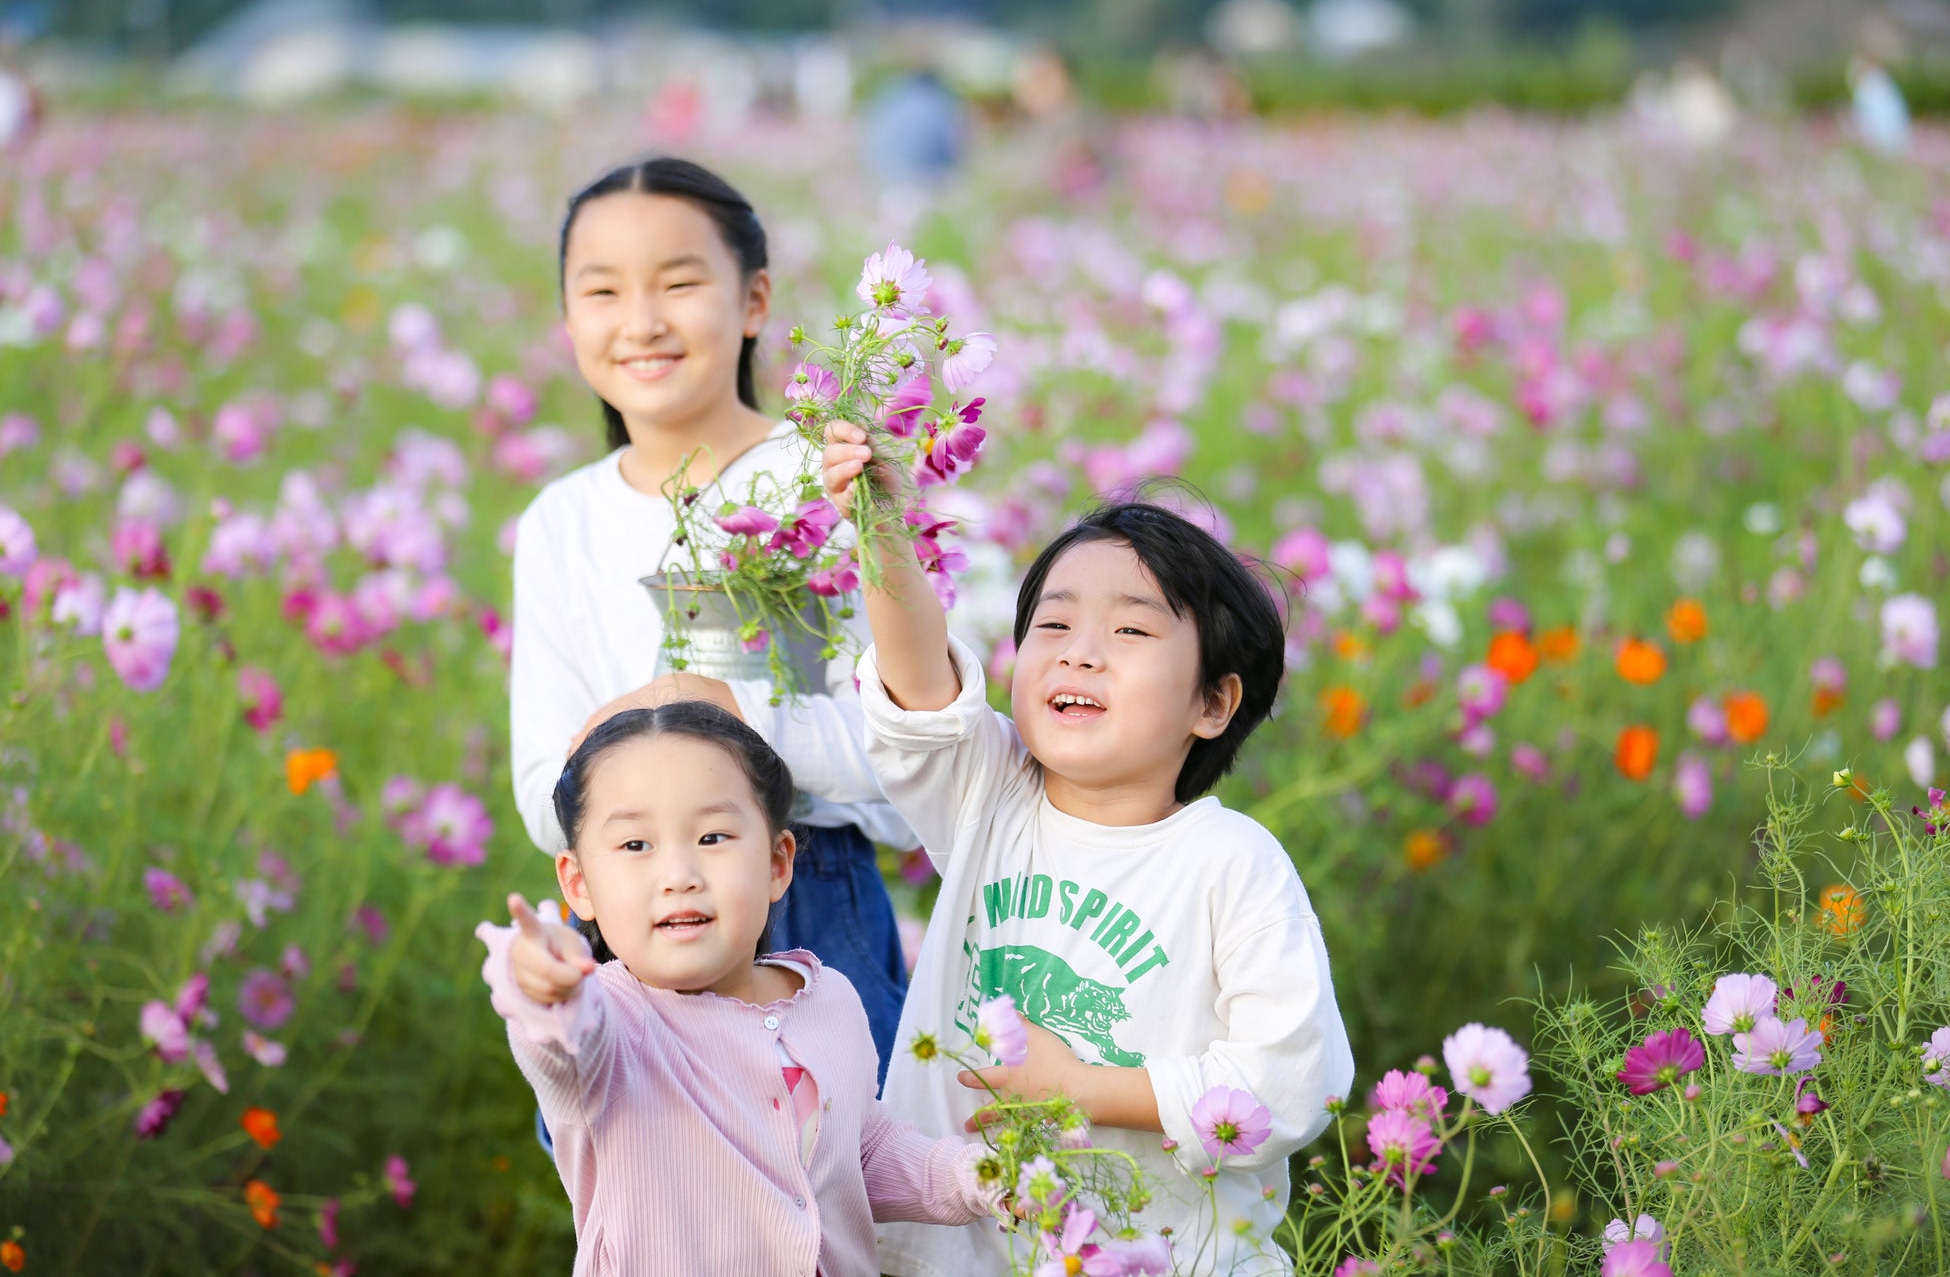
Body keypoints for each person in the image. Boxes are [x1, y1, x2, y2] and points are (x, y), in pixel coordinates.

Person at [823, 424, 1355, 1275]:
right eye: (1054, 621)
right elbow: (917, 678)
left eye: (1132, 634)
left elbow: (1294, 1083)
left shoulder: (1232, 863)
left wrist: (1084, 1088)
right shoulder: (989, 788)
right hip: (948, 1256)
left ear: (1215, 704)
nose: (1080, 649)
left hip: (1157, 1255)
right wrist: (882, 529)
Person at [509, 157, 913, 1095]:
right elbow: (543, 793)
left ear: (755, 300)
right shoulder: (561, 522)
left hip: (812, 902)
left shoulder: (829, 474)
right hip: (630, 922)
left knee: (850, 1200)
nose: (641, 321)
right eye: (602, 291)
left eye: (680, 283)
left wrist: (716, 716)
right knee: (664, 1218)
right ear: (570, 321)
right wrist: (672, 735)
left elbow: (904, 763)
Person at [479, 703, 997, 1276]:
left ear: (778, 862)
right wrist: (540, 979)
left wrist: (980, 1177)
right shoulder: (606, 1023)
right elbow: (555, 1035)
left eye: (713, 835)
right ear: (578, 884)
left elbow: (859, 1153)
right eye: (635, 846)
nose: (680, 874)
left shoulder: (831, 1001)